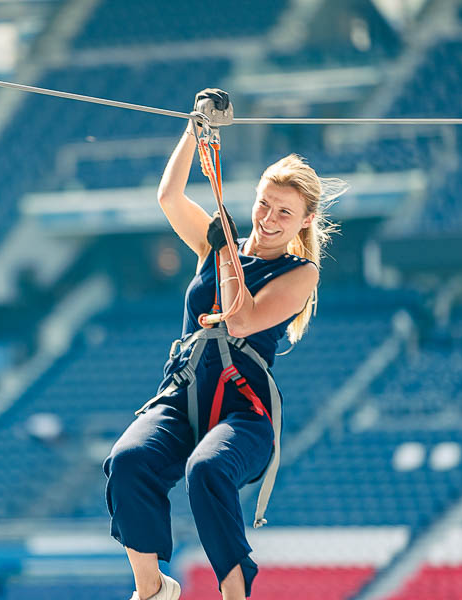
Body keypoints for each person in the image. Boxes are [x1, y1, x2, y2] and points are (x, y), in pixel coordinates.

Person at [103, 89, 341, 600]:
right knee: (128, 461)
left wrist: (227, 252)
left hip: (243, 413)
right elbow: (169, 197)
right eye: (264, 204)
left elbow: (241, 321)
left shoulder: (301, 274)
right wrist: (196, 129)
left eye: (284, 212)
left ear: (304, 222)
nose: (269, 219)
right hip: (184, 398)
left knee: (207, 470)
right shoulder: (217, 242)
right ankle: (152, 590)